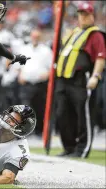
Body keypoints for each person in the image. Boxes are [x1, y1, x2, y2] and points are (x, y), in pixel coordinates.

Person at [55, 2, 106, 158]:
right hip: (63, 80)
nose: (83, 17)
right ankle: (69, 147)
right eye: (81, 14)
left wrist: (95, 76)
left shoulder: (95, 34)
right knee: (63, 114)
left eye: (86, 14)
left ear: (92, 16)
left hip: (81, 80)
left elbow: (100, 57)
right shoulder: (73, 32)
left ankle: (82, 149)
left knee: (83, 116)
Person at [18, 28, 53, 137]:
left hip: (40, 83)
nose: (35, 39)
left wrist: (47, 74)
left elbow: (51, 67)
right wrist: (19, 74)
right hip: (26, 83)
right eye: (33, 36)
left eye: (37, 37)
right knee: (26, 107)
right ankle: (27, 130)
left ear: (40, 38)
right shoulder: (24, 49)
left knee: (40, 107)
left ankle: (39, 130)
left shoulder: (46, 50)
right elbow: (17, 65)